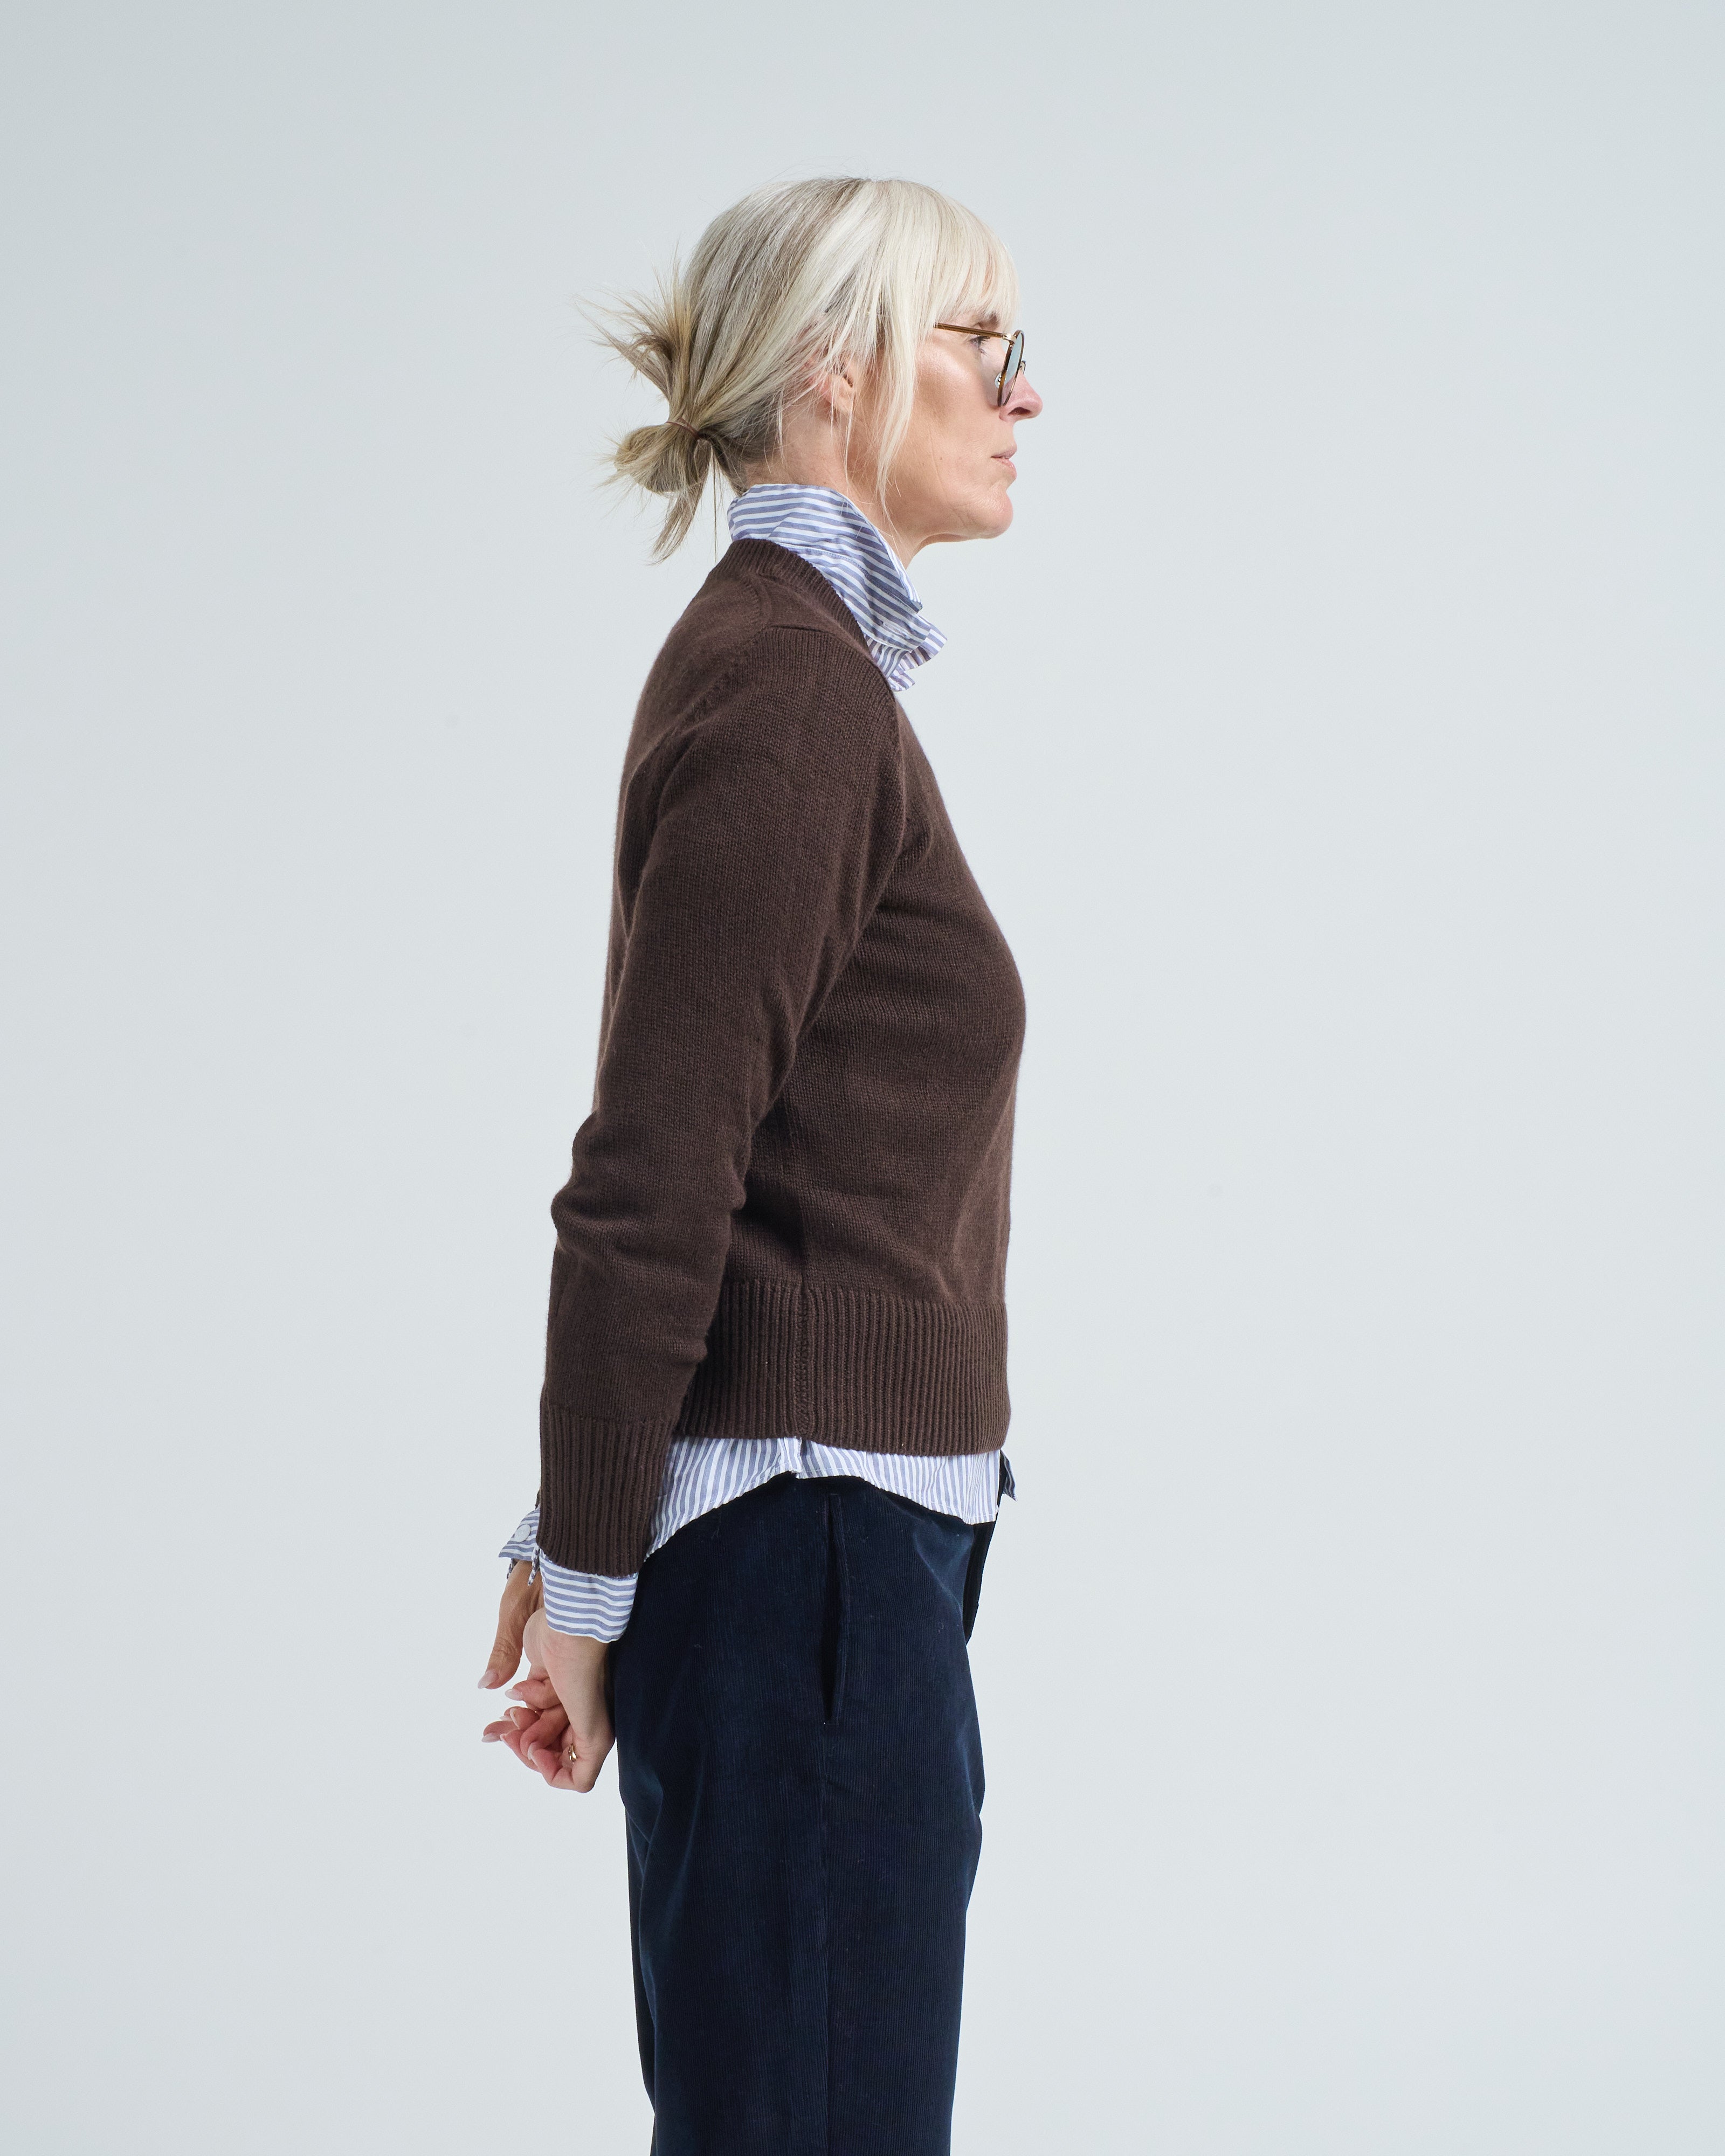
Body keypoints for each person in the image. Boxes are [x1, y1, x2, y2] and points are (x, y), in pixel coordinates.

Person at [477, 174, 1043, 2156]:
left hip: (825, 1569)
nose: (1025, 395)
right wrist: (585, 1570)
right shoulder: (794, 686)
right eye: (987, 343)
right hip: (811, 1571)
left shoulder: (798, 672)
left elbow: (714, 1142)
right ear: (834, 372)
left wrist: (583, 1536)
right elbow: (651, 1175)